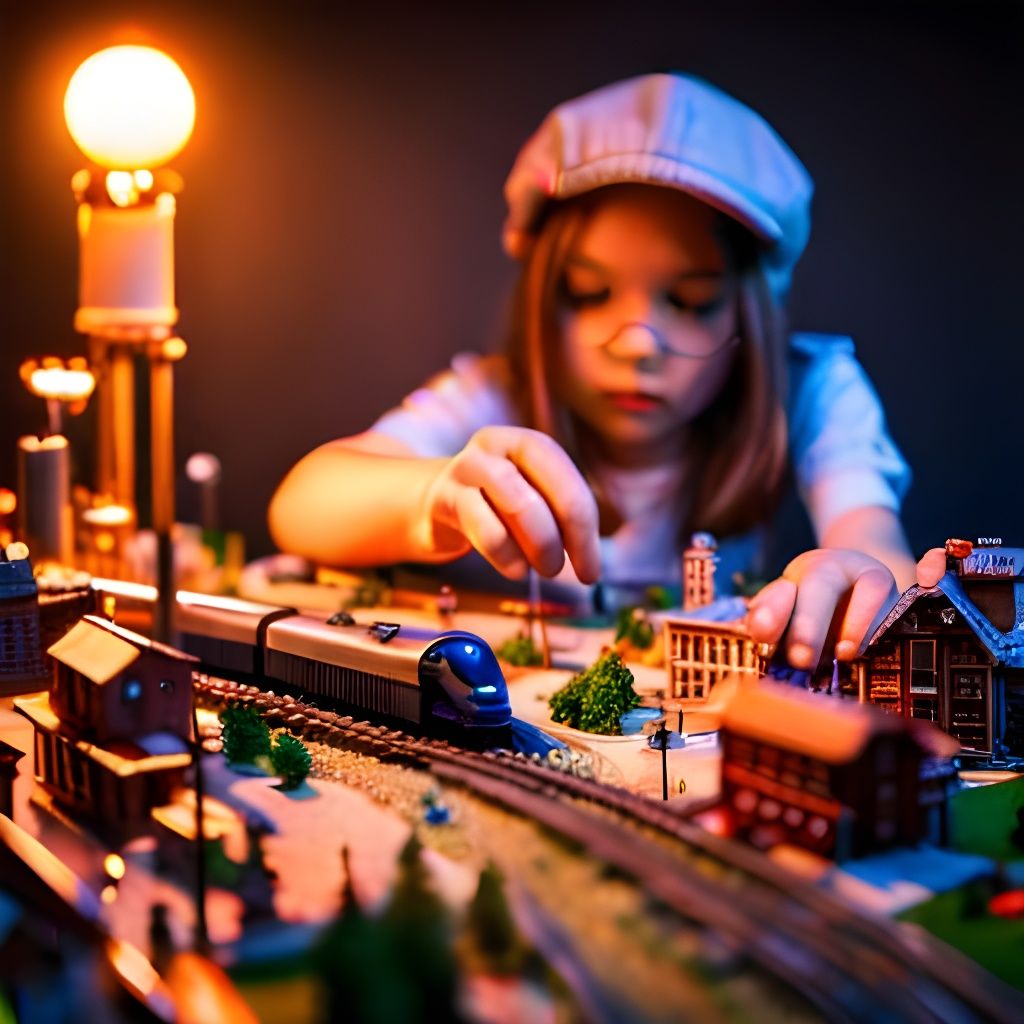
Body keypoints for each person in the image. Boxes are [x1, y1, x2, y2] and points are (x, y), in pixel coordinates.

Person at [269, 72, 916, 671]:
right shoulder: (491, 397)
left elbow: (872, 534)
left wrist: (861, 570)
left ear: (751, 310)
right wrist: (434, 495)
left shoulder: (811, 389)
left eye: (690, 302)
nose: (638, 344)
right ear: (543, 301)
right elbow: (304, 501)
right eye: (587, 292)